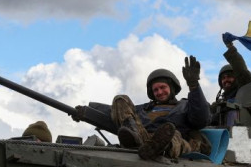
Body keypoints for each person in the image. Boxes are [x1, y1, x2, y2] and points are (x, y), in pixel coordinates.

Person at [76, 56, 211, 160]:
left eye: (163, 87)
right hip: (142, 137)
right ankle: (134, 140)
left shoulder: (185, 106)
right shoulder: (144, 109)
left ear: (172, 87)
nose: (159, 92)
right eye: (156, 90)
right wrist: (86, 112)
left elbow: (201, 119)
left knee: (170, 133)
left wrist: (193, 86)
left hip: (173, 140)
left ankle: (157, 148)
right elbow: (113, 112)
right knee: (120, 99)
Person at [211, 34, 251, 127]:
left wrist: (230, 47)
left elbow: (242, 72)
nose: (226, 80)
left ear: (236, 77)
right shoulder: (219, 104)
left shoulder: (243, 92)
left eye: (229, 76)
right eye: (223, 78)